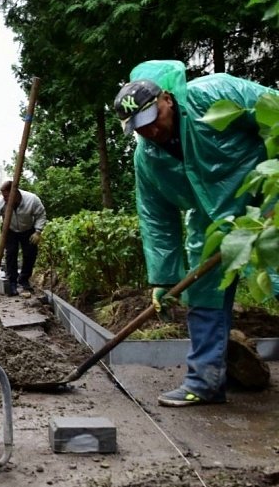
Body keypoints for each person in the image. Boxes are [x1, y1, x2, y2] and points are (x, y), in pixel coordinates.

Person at [113, 59, 278, 407]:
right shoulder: (148, 158)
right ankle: (205, 383)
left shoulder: (215, 95)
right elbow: (157, 218)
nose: (149, 131)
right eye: (140, 127)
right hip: (212, 221)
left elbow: (274, 113)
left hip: (266, 200)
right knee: (203, 294)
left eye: (152, 118)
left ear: (167, 99)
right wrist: (163, 279)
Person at [0, 181, 47, 296]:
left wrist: (38, 231)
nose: (4, 199)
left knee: (30, 254)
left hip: (28, 229)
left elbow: (41, 215)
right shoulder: (1, 203)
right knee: (11, 254)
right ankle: (12, 283)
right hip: (10, 230)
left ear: (15, 192)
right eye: (3, 196)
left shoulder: (32, 200)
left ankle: (24, 280)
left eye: (6, 196)